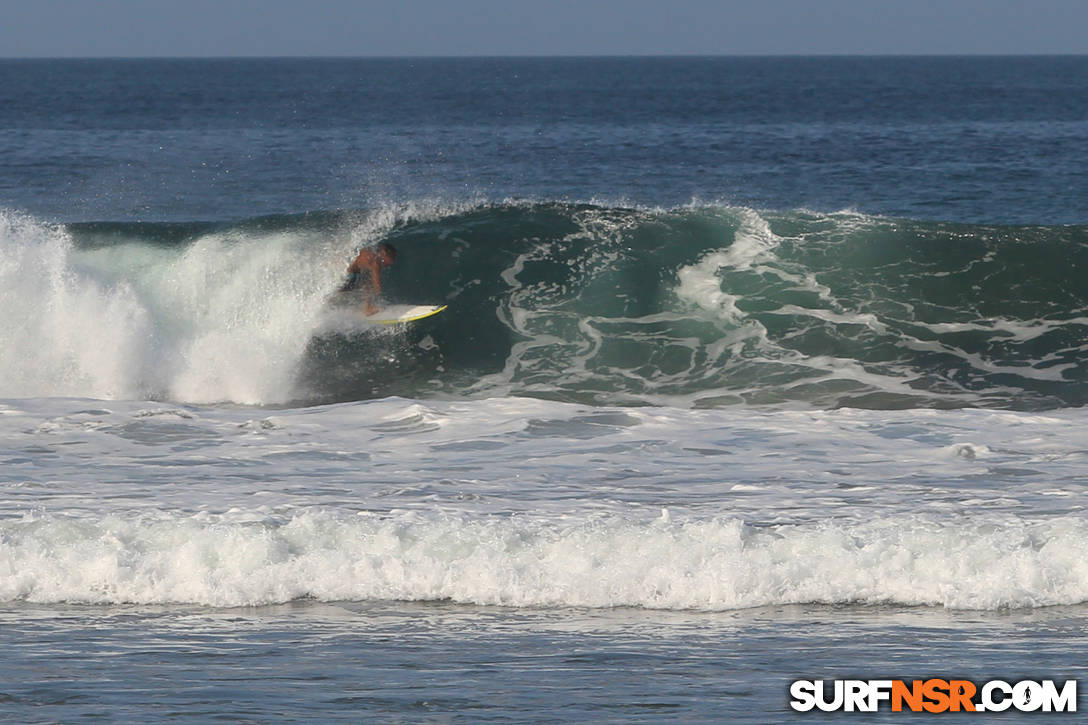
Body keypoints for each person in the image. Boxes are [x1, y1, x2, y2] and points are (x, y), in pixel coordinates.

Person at [341, 242, 396, 315]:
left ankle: (366, 307)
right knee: (369, 285)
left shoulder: (370, 253)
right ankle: (367, 309)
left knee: (367, 282)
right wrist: (381, 299)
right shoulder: (376, 263)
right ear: (384, 254)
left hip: (345, 272)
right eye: (392, 258)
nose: (392, 262)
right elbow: (377, 286)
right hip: (349, 276)